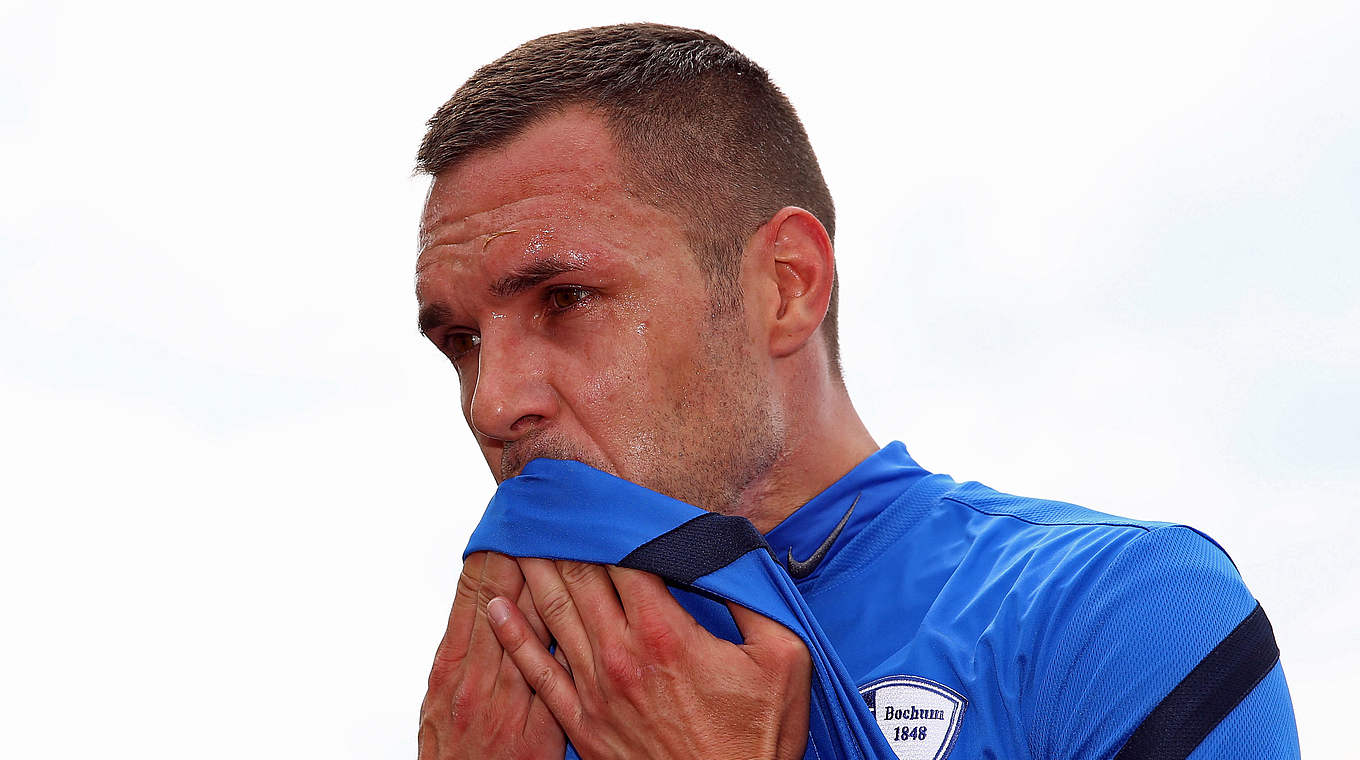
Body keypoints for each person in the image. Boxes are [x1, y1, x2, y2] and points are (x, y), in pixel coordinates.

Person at [411, 23, 1300, 760]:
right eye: (461, 341)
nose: (494, 405)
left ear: (786, 286)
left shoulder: (1115, 610)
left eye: (564, 300)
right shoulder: (510, 693)